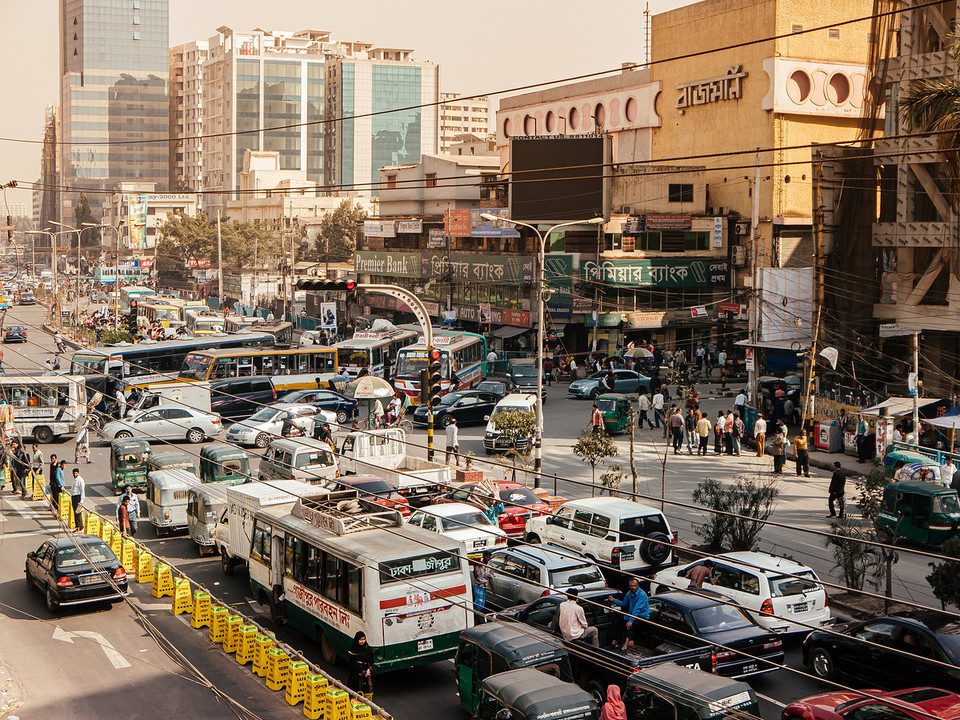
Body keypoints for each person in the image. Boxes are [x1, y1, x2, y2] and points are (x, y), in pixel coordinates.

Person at [610, 578, 649, 651]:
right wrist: (614, 600)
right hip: (631, 615)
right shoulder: (629, 593)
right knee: (617, 621)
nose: (633, 587)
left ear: (638, 586)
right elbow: (624, 603)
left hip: (641, 616)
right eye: (631, 586)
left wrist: (630, 621)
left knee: (630, 626)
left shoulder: (642, 595)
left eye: (634, 586)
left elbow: (637, 609)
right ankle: (615, 641)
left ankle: (626, 645)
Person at [347, 631, 373, 697]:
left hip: (366, 672)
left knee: (367, 690)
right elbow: (353, 664)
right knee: (356, 691)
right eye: (361, 639)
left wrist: (369, 670)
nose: (363, 641)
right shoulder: (353, 651)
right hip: (356, 674)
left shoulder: (367, 648)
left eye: (364, 639)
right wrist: (363, 672)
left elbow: (371, 659)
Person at [472, 550, 494, 620]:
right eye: (486, 557)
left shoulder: (489, 567)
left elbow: (490, 578)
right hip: (478, 586)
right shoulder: (478, 565)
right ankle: (476, 616)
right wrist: (475, 566)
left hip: (484, 587)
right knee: (479, 603)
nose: (488, 559)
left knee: (482, 604)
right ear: (483, 557)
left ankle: (477, 615)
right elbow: (475, 575)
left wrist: (493, 589)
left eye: (489, 557)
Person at [70, 467, 85, 531]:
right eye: (74, 473)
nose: (75, 474)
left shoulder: (80, 480)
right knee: (75, 512)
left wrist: (81, 500)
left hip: (78, 497)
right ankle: (77, 526)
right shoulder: (74, 479)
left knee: (78, 512)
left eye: (76, 473)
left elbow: (82, 491)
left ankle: (80, 526)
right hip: (73, 496)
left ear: (78, 473)